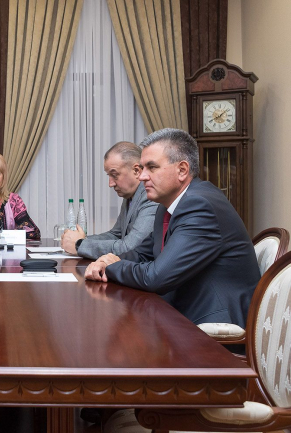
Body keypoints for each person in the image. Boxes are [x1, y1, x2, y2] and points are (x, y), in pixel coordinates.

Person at [84, 128, 259, 329]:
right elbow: (143, 253)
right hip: (180, 311)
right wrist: (106, 260)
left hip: (213, 326)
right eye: (142, 168)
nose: (142, 177)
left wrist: (113, 267)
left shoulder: (200, 206)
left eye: (152, 167)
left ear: (182, 170)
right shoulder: (168, 205)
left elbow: (156, 277)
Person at [61, 141, 157, 259]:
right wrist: (80, 239)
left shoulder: (151, 197)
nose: (110, 184)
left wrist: (79, 244)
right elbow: (115, 235)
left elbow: (130, 247)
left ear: (136, 171)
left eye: (115, 175)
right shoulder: (130, 195)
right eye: (109, 176)